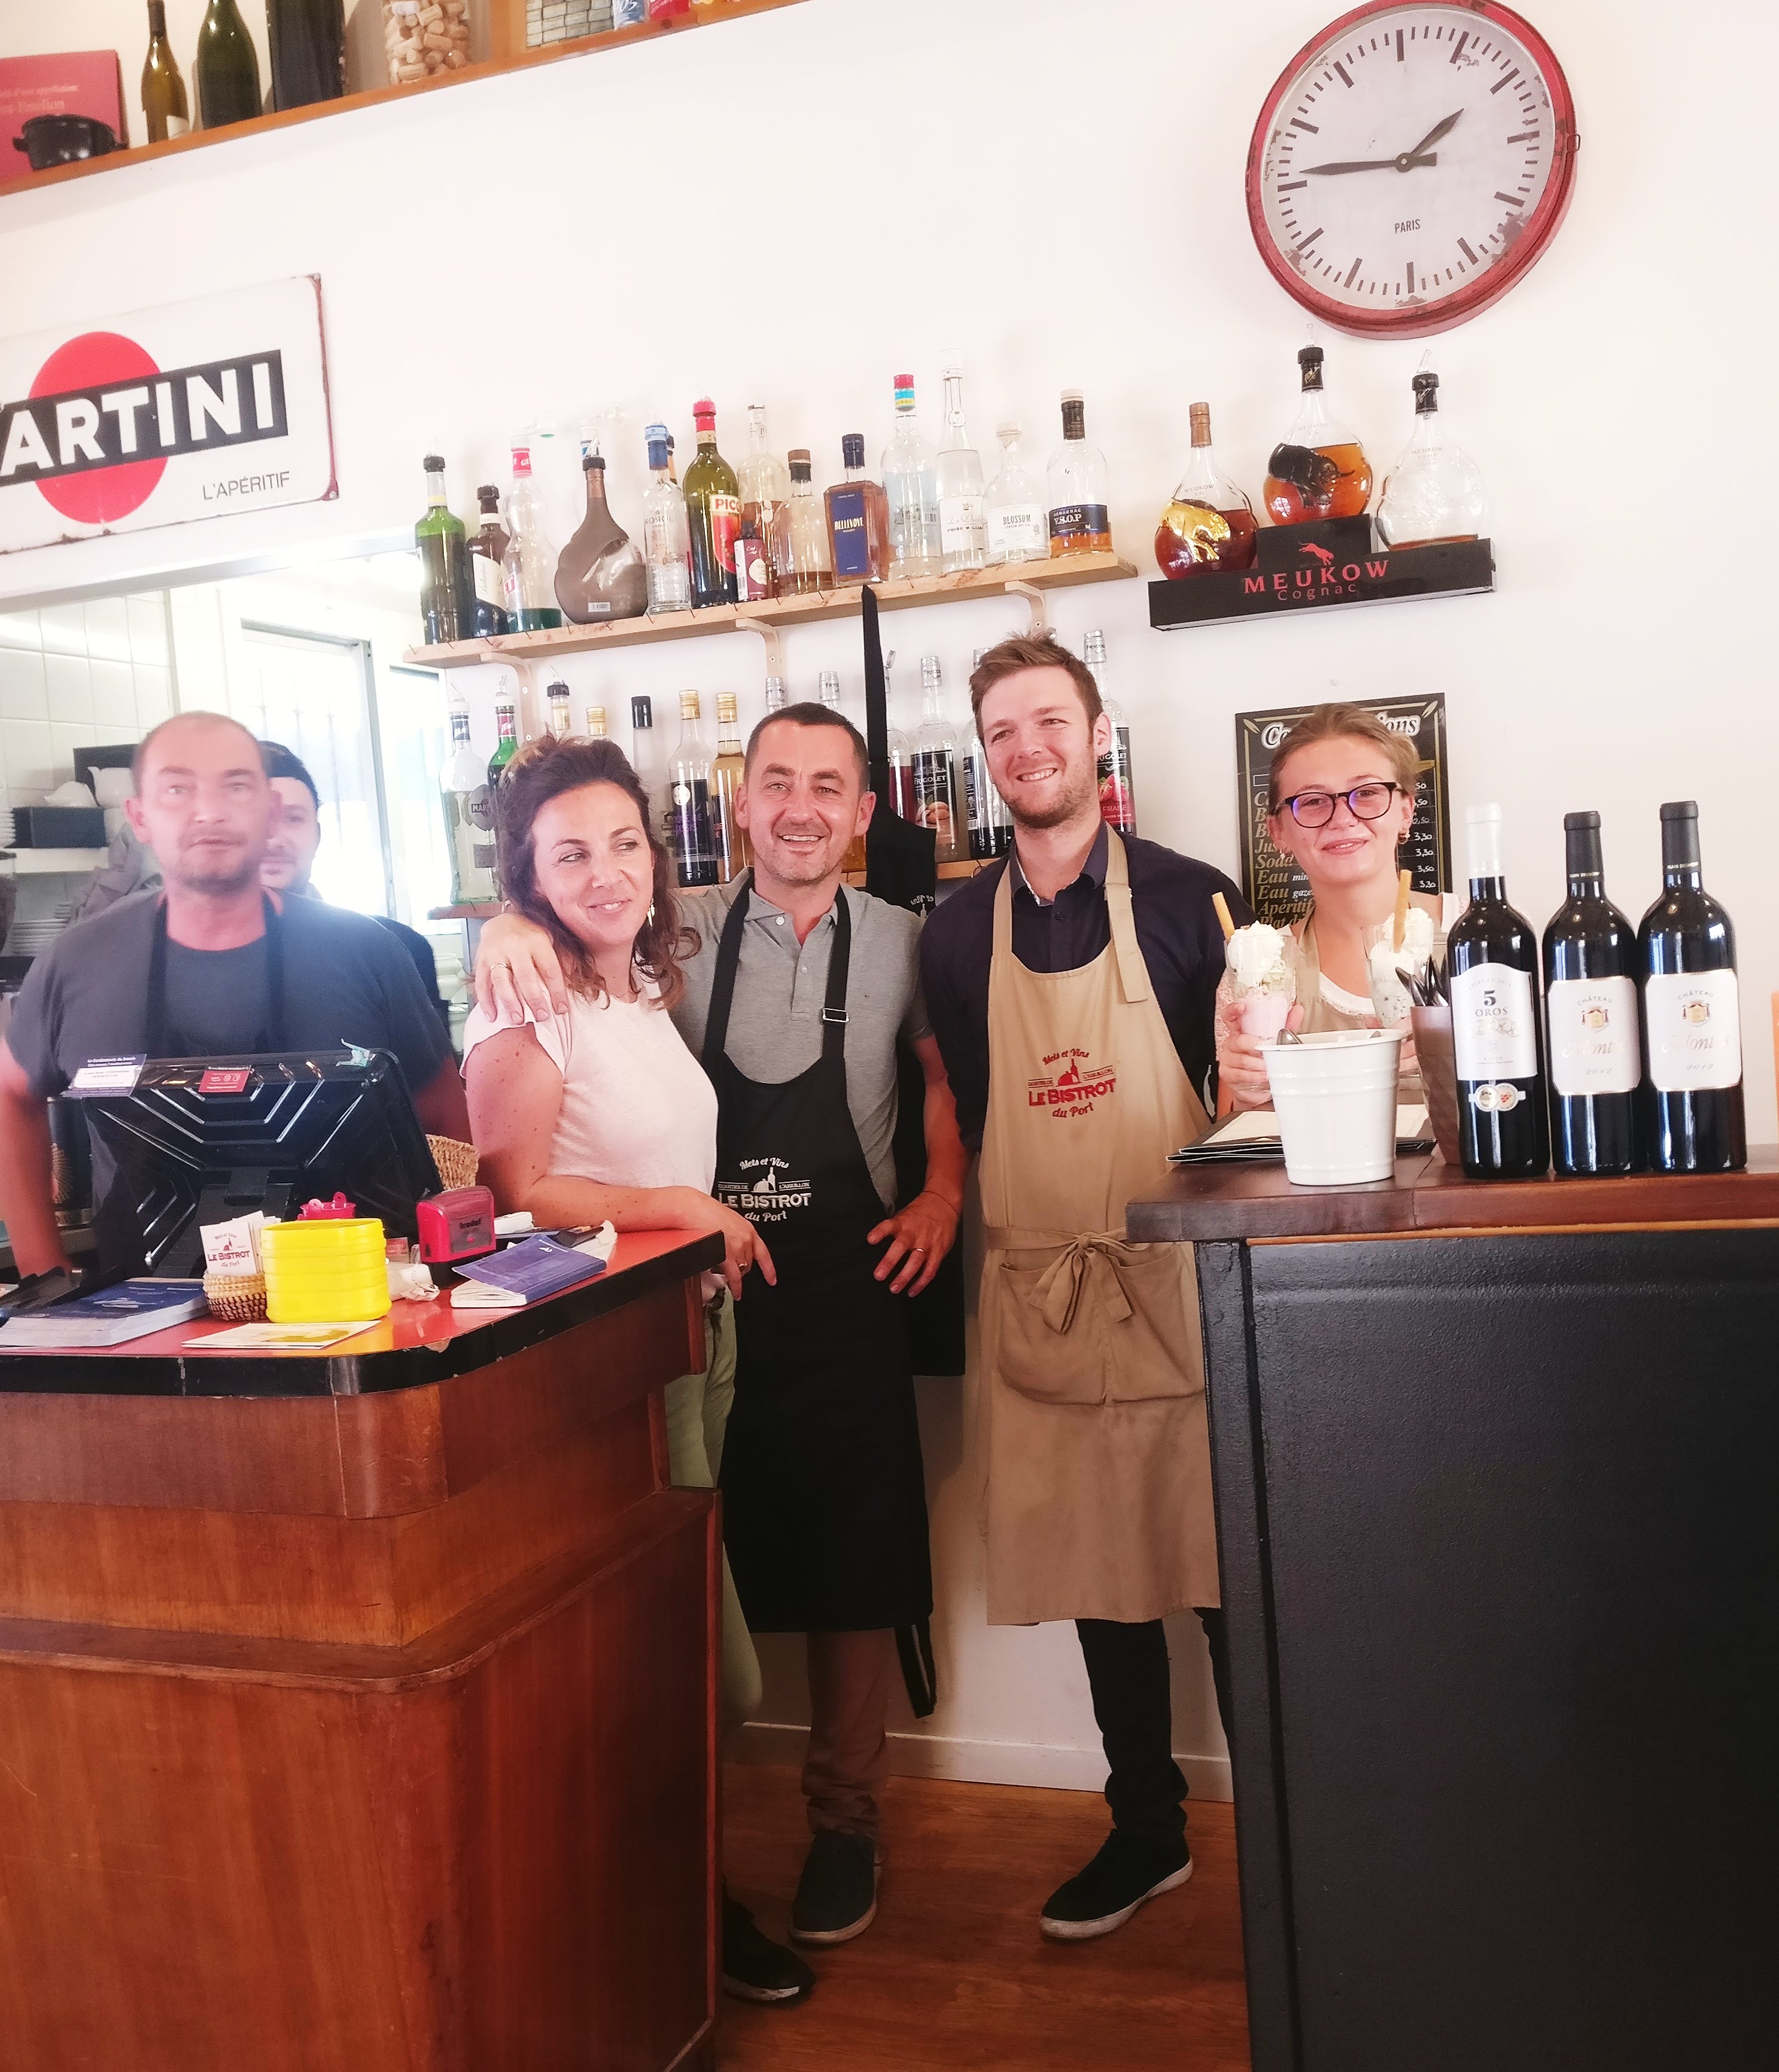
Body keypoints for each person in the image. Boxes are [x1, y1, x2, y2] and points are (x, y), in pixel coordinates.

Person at [471, 702, 968, 1956]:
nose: (800, 808)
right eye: (776, 782)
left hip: (847, 1285)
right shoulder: (674, 930)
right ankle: (694, 1870)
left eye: (829, 786)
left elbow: (941, 1080)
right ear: (739, 806)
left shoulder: (905, 938)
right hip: (692, 1303)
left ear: (864, 813)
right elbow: (556, 939)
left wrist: (943, 1197)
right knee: (690, 1578)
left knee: (856, 1559)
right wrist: (505, 921)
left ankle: (843, 1822)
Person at [460, 731, 810, 2007]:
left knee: (684, 1653)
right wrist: (685, 1208)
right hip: (619, 1359)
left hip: (697, 1329)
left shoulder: (636, 987)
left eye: (624, 844)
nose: (606, 872)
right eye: (570, 855)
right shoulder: (527, 1000)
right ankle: (667, 1924)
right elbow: (512, 1195)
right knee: (688, 1658)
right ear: (527, 876)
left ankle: (687, 1913)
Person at [916, 632, 1248, 1944]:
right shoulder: (956, 934)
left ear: (1098, 734)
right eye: (1002, 730)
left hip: (1179, 1280)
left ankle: (1296, 1827)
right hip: (1043, 1291)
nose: (1028, 748)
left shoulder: (1192, 898)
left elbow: (1243, 1099)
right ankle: (1146, 1828)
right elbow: (973, 1107)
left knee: (1226, 1573)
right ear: (983, 756)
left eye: (1050, 720)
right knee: (1099, 1573)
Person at [0, 711, 468, 1279]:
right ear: (139, 817)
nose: (208, 811)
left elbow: (443, 1113)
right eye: (177, 789)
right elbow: (5, 1094)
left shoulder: (366, 951)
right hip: (148, 1314)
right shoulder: (78, 962)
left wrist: (449, 1272)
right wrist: (42, 1269)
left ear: (268, 809)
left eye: (235, 786)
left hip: (355, 1301)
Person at [1215, 701, 1449, 1110]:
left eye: (1368, 793)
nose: (1342, 818)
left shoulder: (1483, 937)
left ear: (1406, 811)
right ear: (1278, 831)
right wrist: (1249, 1091)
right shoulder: (1261, 971)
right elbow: (1235, 1135)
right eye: (1312, 801)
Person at [255, 741, 450, 1027]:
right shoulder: (188, 962)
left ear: (318, 836)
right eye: (260, 819)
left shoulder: (395, 948)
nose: (275, 840)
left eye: (294, 819)